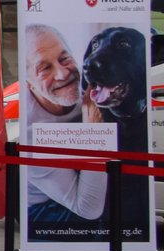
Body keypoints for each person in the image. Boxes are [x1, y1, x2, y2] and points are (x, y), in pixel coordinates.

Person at [19, 23, 107, 224]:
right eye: (44, 68)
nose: (62, 74)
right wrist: (94, 133)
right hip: (46, 208)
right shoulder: (30, 131)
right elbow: (87, 208)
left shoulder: (94, 87)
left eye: (64, 59)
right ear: (29, 84)